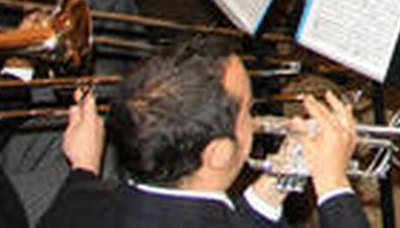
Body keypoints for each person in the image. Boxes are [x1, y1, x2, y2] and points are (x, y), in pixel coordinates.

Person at [38, 38, 367, 227]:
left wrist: (276, 184)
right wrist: (334, 186)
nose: (256, 121)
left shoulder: (81, 198)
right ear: (218, 153)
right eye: (249, 111)